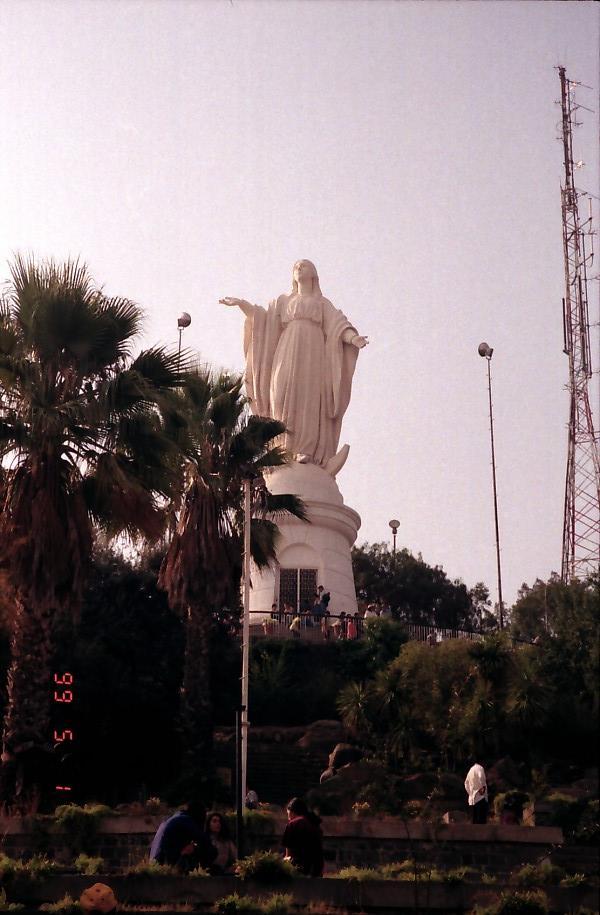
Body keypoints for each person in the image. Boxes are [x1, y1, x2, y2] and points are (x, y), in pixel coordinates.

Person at [220, 260, 368, 472]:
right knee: (279, 395)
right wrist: (241, 304)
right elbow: (262, 319)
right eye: (296, 266)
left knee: (308, 398)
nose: (299, 268)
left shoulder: (321, 303)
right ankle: (282, 449)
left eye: (304, 265)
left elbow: (338, 325)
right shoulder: (283, 301)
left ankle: (305, 449)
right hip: (286, 350)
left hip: (313, 354)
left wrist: (353, 339)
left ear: (313, 274)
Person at [149, 801, 218, 871]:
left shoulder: (179, 818)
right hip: (171, 860)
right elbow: (204, 840)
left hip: (166, 858)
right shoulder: (186, 821)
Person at [282, 797, 324, 877]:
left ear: (291, 811)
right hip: (316, 870)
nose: (288, 817)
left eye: (288, 813)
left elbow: (288, 856)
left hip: (298, 870)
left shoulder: (293, 824)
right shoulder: (315, 825)